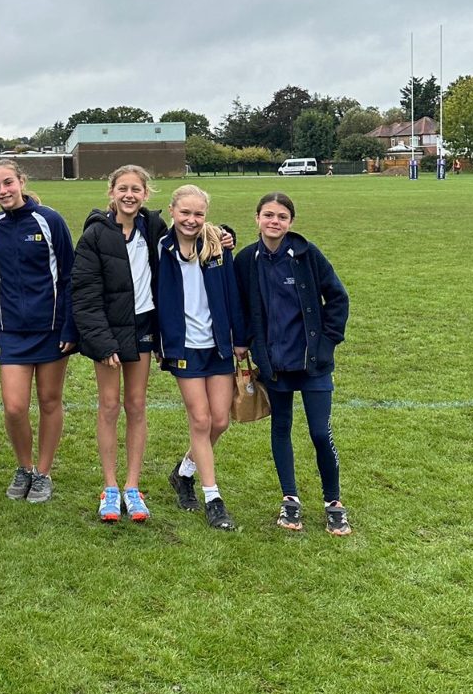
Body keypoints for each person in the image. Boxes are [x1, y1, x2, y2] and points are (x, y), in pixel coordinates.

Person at [235, 192, 352, 535]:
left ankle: (334, 502)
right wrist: (250, 343)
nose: (274, 221)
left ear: (290, 222)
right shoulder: (246, 260)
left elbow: (337, 297)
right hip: (274, 364)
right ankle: (290, 499)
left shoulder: (306, 254)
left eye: (282, 216)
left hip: (313, 362)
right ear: (257, 218)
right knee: (281, 428)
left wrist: (328, 340)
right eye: (268, 215)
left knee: (319, 432)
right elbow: (240, 306)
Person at [73, 165, 165, 523]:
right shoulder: (95, 235)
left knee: (136, 405)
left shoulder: (154, 229)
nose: (129, 195)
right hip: (108, 331)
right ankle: (110, 488)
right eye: (123, 188)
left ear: (145, 194)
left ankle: (132, 487)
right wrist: (101, 341)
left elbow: (188, 240)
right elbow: (83, 294)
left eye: (136, 189)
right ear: (111, 192)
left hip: (142, 327)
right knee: (110, 405)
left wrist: (226, 234)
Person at [0, 159, 77, 504]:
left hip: (51, 329)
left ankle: (43, 472)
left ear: (21, 181)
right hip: (11, 331)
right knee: (13, 406)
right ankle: (24, 467)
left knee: (50, 401)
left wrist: (69, 326)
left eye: (8, 182)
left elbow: (69, 276)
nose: (3, 191)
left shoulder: (49, 220)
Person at [156, 185, 247, 531]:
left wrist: (239, 339)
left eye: (198, 214)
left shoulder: (217, 247)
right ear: (172, 211)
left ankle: (183, 473)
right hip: (184, 348)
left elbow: (233, 295)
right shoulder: (160, 247)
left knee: (220, 421)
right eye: (185, 213)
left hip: (218, 346)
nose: (191, 220)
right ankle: (214, 499)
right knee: (201, 420)